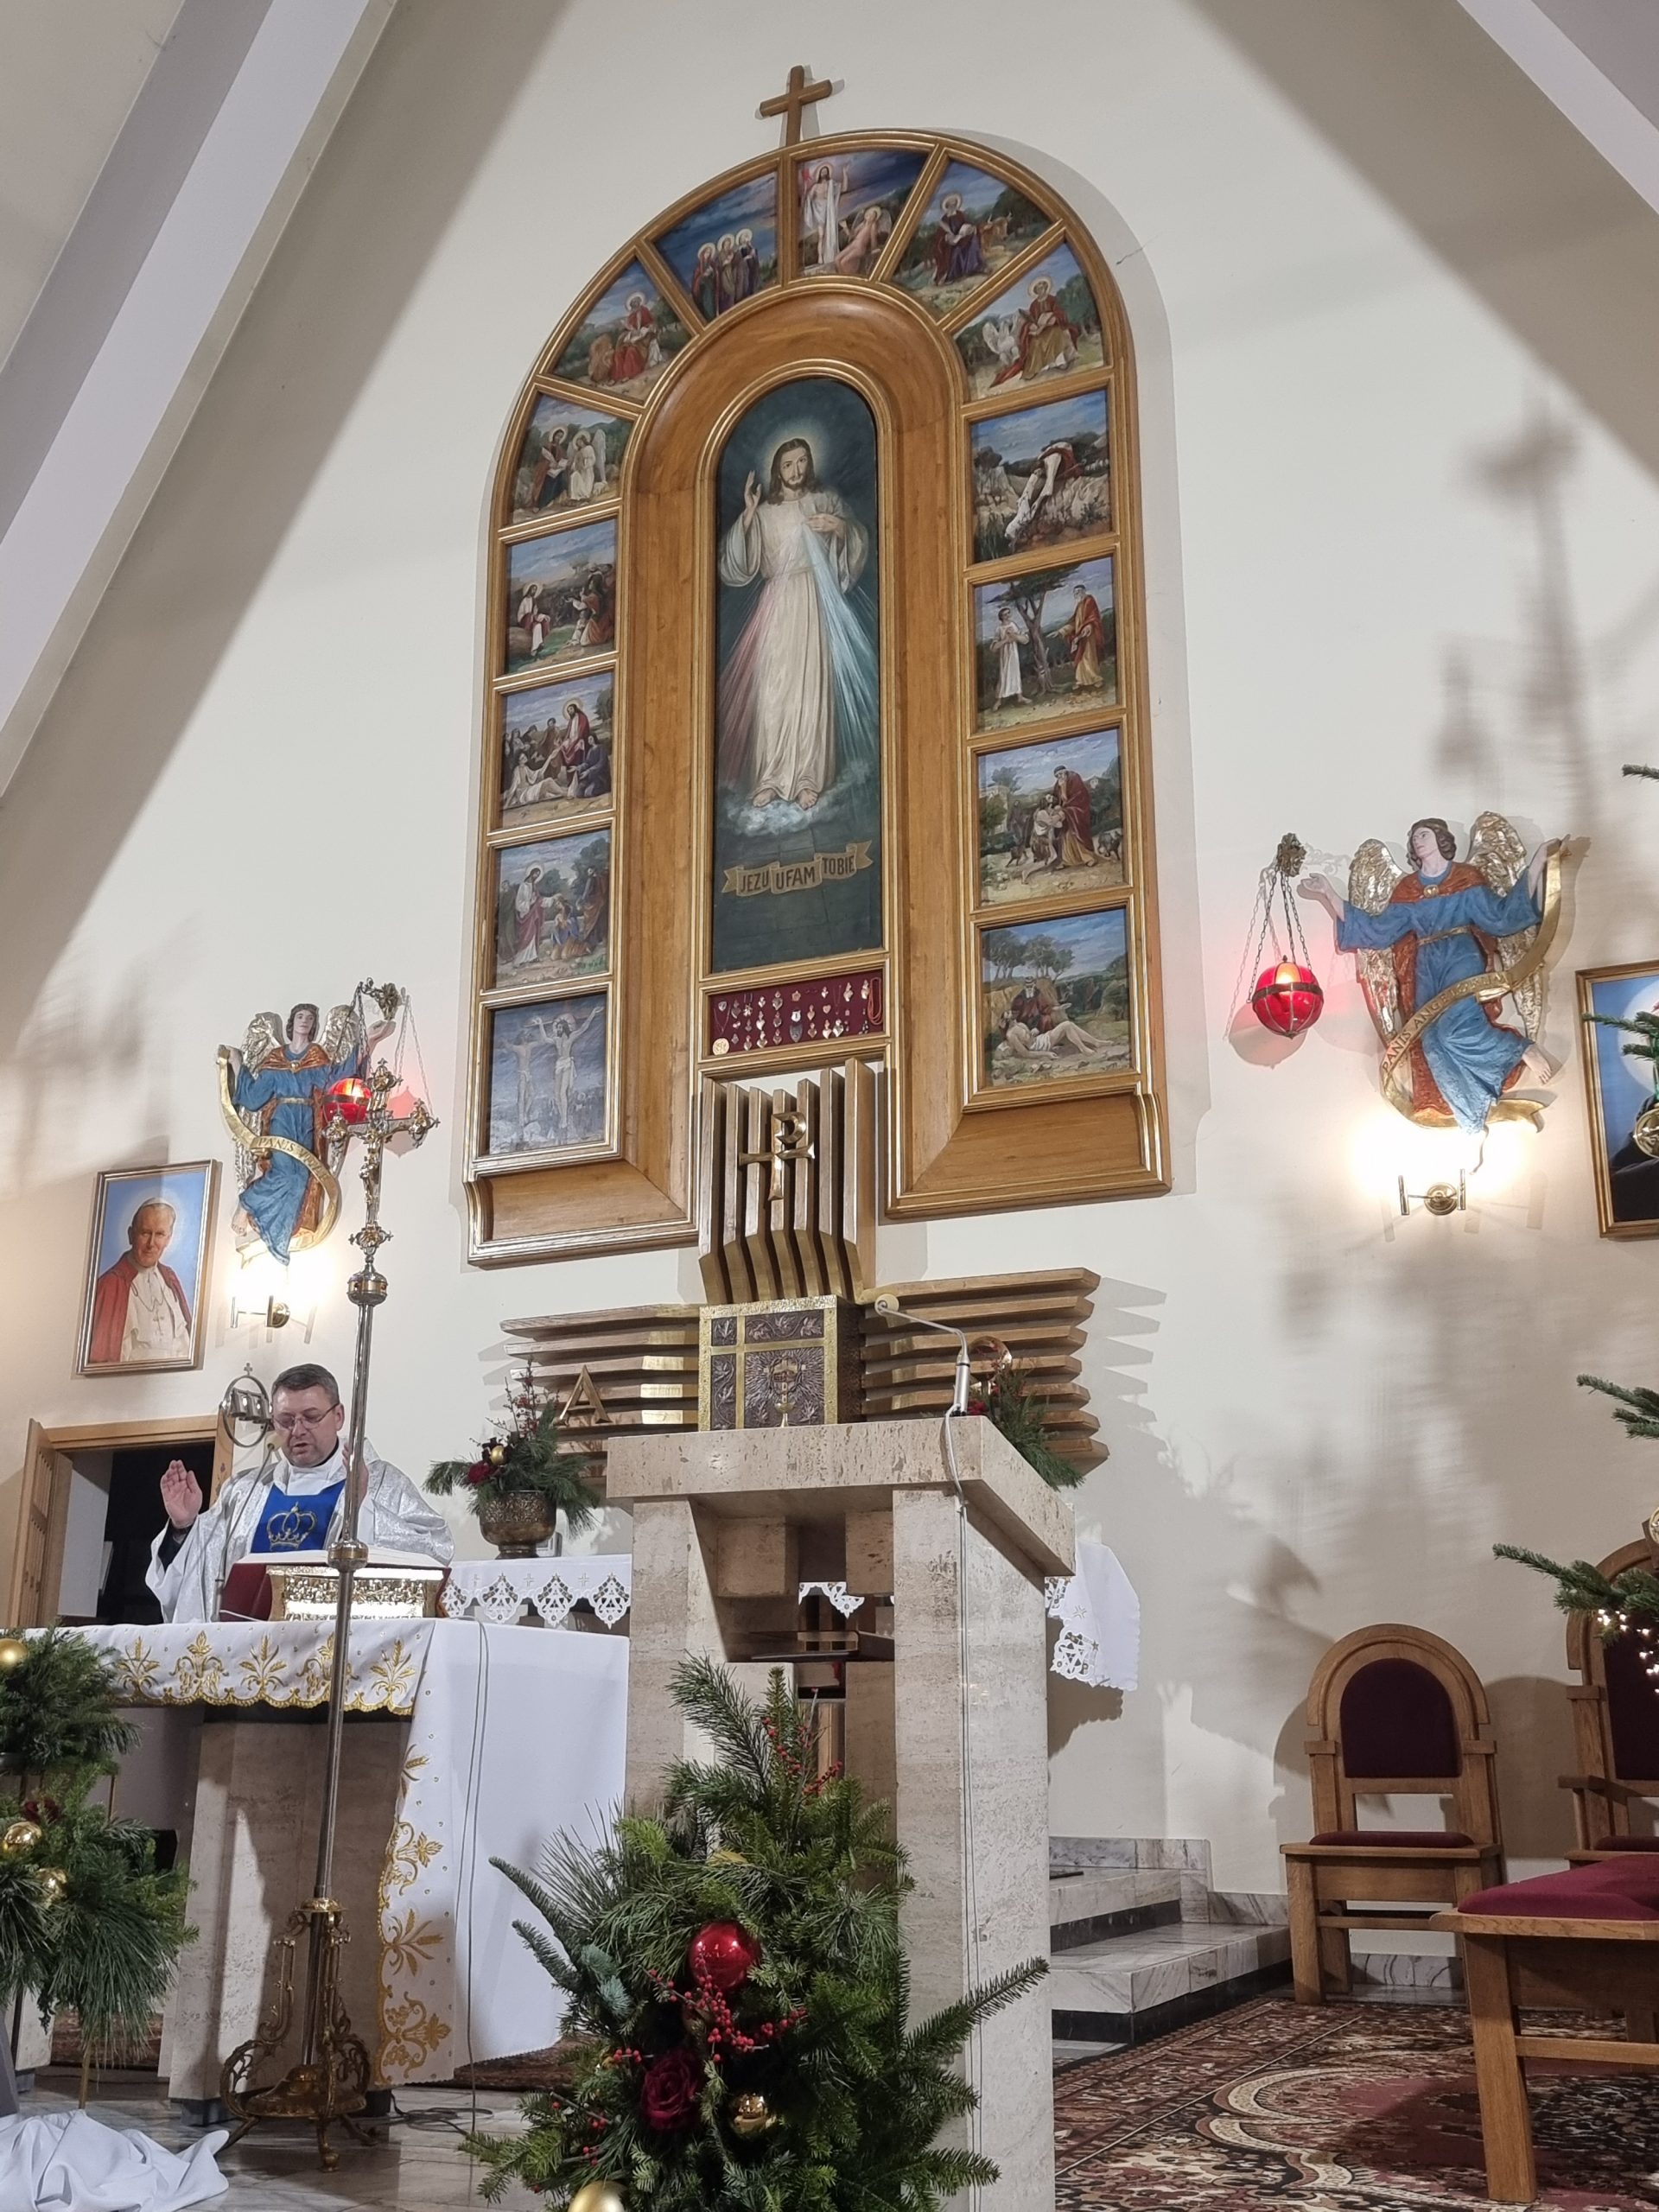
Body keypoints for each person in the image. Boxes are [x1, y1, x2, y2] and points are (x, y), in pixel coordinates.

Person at [146, 1363, 452, 1624]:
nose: (298, 1430)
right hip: (247, 1650)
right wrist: (184, 1527)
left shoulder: (380, 1481)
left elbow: (436, 1551)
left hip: (335, 1648)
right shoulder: (245, 1491)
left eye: (311, 1416)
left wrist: (364, 1509)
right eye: (286, 1420)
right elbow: (195, 1584)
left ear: (339, 1416)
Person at [1300, 819, 1552, 1133]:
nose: (1417, 840)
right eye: (1414, 837)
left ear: (1440, 839)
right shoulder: (1408, 889)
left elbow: (1499, 917)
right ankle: (1472, 1120)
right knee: (1431, 1042)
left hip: (1459, 954)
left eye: (1423, 834)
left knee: (1454, 1029)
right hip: (1426, 965)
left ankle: (1521, 1049)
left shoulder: (1465, 878)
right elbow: (1378, 931)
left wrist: (1538, 863)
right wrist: (1328, 894)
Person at [716, 435, 874, 810]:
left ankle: (808, 777)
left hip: (813, 600)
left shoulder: (825, 501)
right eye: (788, 464)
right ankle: (770, 778)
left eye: (802, 461)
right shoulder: (765, 512)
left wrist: (839, 527)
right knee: (772, 691)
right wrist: (749, 513)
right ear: (777, 470)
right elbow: (734, 565)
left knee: (810, 688)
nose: (796, 470)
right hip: (776, 603)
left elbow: (857, 541)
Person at [229, 1003, 385, 1261]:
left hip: (306, 1124)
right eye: (300, 1016)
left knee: (301, 1178)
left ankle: (281, 1233)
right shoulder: (276, 1059)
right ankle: (246, 1203)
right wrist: (237, 1064)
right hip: (282, 1119)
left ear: (314, 1025)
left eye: (310, 1018)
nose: (305, 1021)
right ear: (292, 1022)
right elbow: (255, 1098)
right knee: (286, 1172)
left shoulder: (316, 1057)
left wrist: (369, 1040)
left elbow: (337, 1078)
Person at [88, 1200, 192, 1365]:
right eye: (145, 1233)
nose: (151, 1244)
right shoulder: (111, 1284)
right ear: (131, 1235)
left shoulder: (170, 1279)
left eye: (159, 1234)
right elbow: (101, 1357)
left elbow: (186, 1343)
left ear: (168, 1239)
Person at [991, 276, 1080, 385]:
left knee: (1056, 334)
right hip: (1040, 331)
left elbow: (1059, 312)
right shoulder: (1034, 305)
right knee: (1035, 343)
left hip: (1053, 327)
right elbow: (1032, 319)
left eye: (1042, 288)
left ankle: (1060, 361)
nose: (1040, 290)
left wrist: (1054, 317)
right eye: (1038, 289)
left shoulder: (1052, 299)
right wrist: (1031, 326)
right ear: (1036, 291)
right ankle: (1042, 367)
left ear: (1045, 288)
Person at [800, 161, 847, 270]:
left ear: (828, 173)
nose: (824, 173)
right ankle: (820, 257)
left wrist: (845, 173)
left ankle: (831, 255)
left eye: (826, 172)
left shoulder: (831, 185)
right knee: (821, 236)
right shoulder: (816, 187)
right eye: (822, 172)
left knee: (830, 233)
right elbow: (808, 199)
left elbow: (844, 189)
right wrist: (806, 190)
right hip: (819, 211)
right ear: (820, 174)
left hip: (829, 211)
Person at [932, 190, 983, 286]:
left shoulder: (960, 215)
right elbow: (940, 236)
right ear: (947, 206)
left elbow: (967, 223)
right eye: (950, 205)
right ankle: (952, 276)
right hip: (950, 245)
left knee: (973, 240)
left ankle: (975, 267)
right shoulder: (944, 219)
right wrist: (947, 237)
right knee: (956, 251)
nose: (953, 207)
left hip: (963, 239)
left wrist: (970, 229)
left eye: (954, 204)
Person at [1051, 764, 1097, 867]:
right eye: (1057, 776)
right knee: (1065, 834)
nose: (1059, 777)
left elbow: (1079, 796)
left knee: (1077, 832)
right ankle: (1068, 860)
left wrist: (1065, 809)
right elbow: (1056, 798)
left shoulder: (1074, 778)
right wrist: (1056, 805)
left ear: (1065, 771)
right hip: (1065, 810)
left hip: (1077, 808)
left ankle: (1088, 858)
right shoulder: (1058, 784)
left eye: (1060, 774)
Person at [1063, 582, 1106, 690]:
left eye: (1078, 592)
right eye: (1075, 593)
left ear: (1084, 591)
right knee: (1081, 659)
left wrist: (1087, 628)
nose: (1077, 594)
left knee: (1089, 657)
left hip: (1088, 636)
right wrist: (1062, 631)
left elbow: (1093, 617)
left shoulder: (1089, 601)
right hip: (1080, 636)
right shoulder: (1079, 605)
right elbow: (1074, 622)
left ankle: (1095, 679)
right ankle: (1081, 681)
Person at [994, 602, 1029, 705]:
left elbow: (1020, 637)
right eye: (1005, 614)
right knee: (1004, 674)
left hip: (1013, 652)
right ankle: (999, 700)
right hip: (1004, 654)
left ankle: (1019, 697)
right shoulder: (999, 629)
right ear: (1001, 617)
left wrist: (1014, 635)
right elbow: (995, 646)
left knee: (1015, 673)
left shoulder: (1013, 625)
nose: (1008, 616)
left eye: (1008, 613)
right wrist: (1005, 640)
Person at [690, 241, 720, 319]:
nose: (708, 254)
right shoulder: (699, 267)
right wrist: (703, 276)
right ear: (703, 254)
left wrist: (713, 272)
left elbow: (716, 278)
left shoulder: (712, 264)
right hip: (704, 292)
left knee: (712, 308)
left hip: (711, 291)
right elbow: (696, 282)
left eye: (709, 253)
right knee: (706, 310)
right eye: (706, 252)